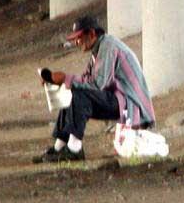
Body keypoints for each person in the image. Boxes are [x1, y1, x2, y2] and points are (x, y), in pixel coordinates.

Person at [34, 15, 155, 163]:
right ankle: (59, 147)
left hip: (131, 106)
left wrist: (66, 78)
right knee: (73, 92)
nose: (76, 42)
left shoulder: (108, 47)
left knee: (79, 94)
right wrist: (58, 80)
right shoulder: (99, 49)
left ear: (91, 34)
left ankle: (74, 149)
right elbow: (87, 80)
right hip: (120, 100)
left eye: (79, 37)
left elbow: (98, 85)